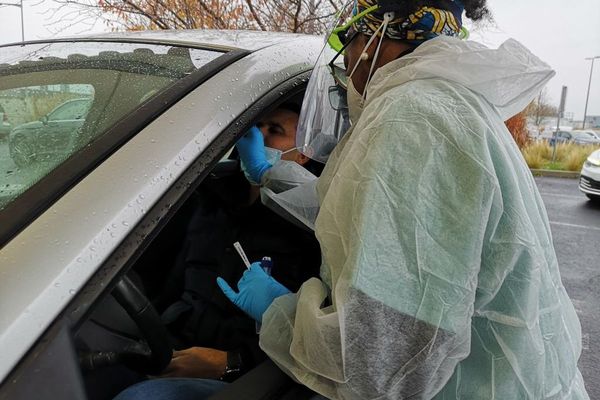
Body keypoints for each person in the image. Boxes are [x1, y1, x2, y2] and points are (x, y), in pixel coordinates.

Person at [220, 1, 591, 399]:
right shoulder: (446, 104)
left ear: (376, 36)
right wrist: (268, 172)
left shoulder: (411, 119)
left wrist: (281, 314)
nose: (347, 65)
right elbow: (368, 216)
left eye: (348, 43)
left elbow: (381, 364)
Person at [114, 105, 323, 400]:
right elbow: (172, 285)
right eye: (256, 127)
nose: (259, 137)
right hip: (171, 345)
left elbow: (313, 344)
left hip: (243, 372)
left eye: (275, 131)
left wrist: (230, 363)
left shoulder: (313, 229)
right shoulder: (210, 199)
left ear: (303, 153)